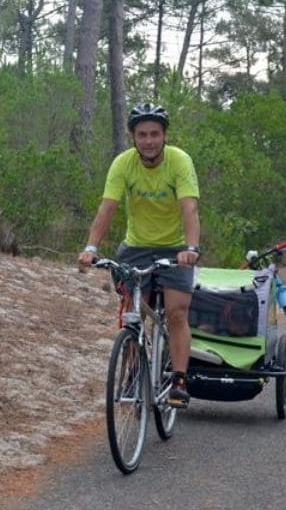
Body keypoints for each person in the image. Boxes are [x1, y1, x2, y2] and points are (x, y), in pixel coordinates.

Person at [77, 103, 201, 408]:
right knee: (132, 313)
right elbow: (107, 207)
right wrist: (92, 247)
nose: (149, 140)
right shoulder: (123, 164)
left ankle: (179, 379)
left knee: (176, 312)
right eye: (142, 134)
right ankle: (133, 367)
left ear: (164, 136)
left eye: (155, 134)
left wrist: (191, 248)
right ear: (133, 137)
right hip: (136, 247)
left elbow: (189, 207)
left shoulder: (179, 161)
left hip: (175, 248)